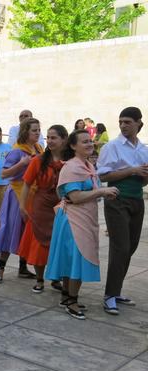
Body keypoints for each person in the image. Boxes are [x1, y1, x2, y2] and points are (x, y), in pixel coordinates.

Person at [45, 130, 119, 319]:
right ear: (73, 146)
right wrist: (101, 192)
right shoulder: (72, 167)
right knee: (76, 258)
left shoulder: (87, 165)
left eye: (90, 141)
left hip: (83, 218)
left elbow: (88, 192)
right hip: (73, 219)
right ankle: (71, 300)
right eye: (84, 141)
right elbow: (75, 196)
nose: (89, 144)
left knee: (72, 258)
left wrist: (102, 193)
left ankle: (66, 296)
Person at [97, 107, 148, 315]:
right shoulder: (112, 146)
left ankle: (116, 291)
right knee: (121, 247)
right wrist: (132, 170)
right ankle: (110, 295)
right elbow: (103, 175)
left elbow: (143, 181)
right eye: (121, 122)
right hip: (116, 199)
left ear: (139, 124)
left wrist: (144, 176)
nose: (123, 125)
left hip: (137, 200)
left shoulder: (143, 149)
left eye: (127, 122)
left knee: (131, 247)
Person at [18, 125, 68, 293]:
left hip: (63, 206)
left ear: (64, 139)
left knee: (60, 242)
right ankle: (40, 279)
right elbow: (26, 184)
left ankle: (56, 278)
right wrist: (22, 206)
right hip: (41, 206)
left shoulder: (71, 161)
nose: (50, 141)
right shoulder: (38, 160)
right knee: (39, 243)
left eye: (54, 137)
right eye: (48, 137)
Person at [0, 117, 44, 282]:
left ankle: (23, 267)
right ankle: (0, 268)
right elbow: (4, 174)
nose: (37, 133)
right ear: (25, 132)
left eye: (38, 130)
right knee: (10, 229)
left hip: (33, 195)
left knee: (25, 231)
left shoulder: (39, 149)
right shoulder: (17, 151)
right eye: (34, 130)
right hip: (16, 195)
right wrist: (21, 164)